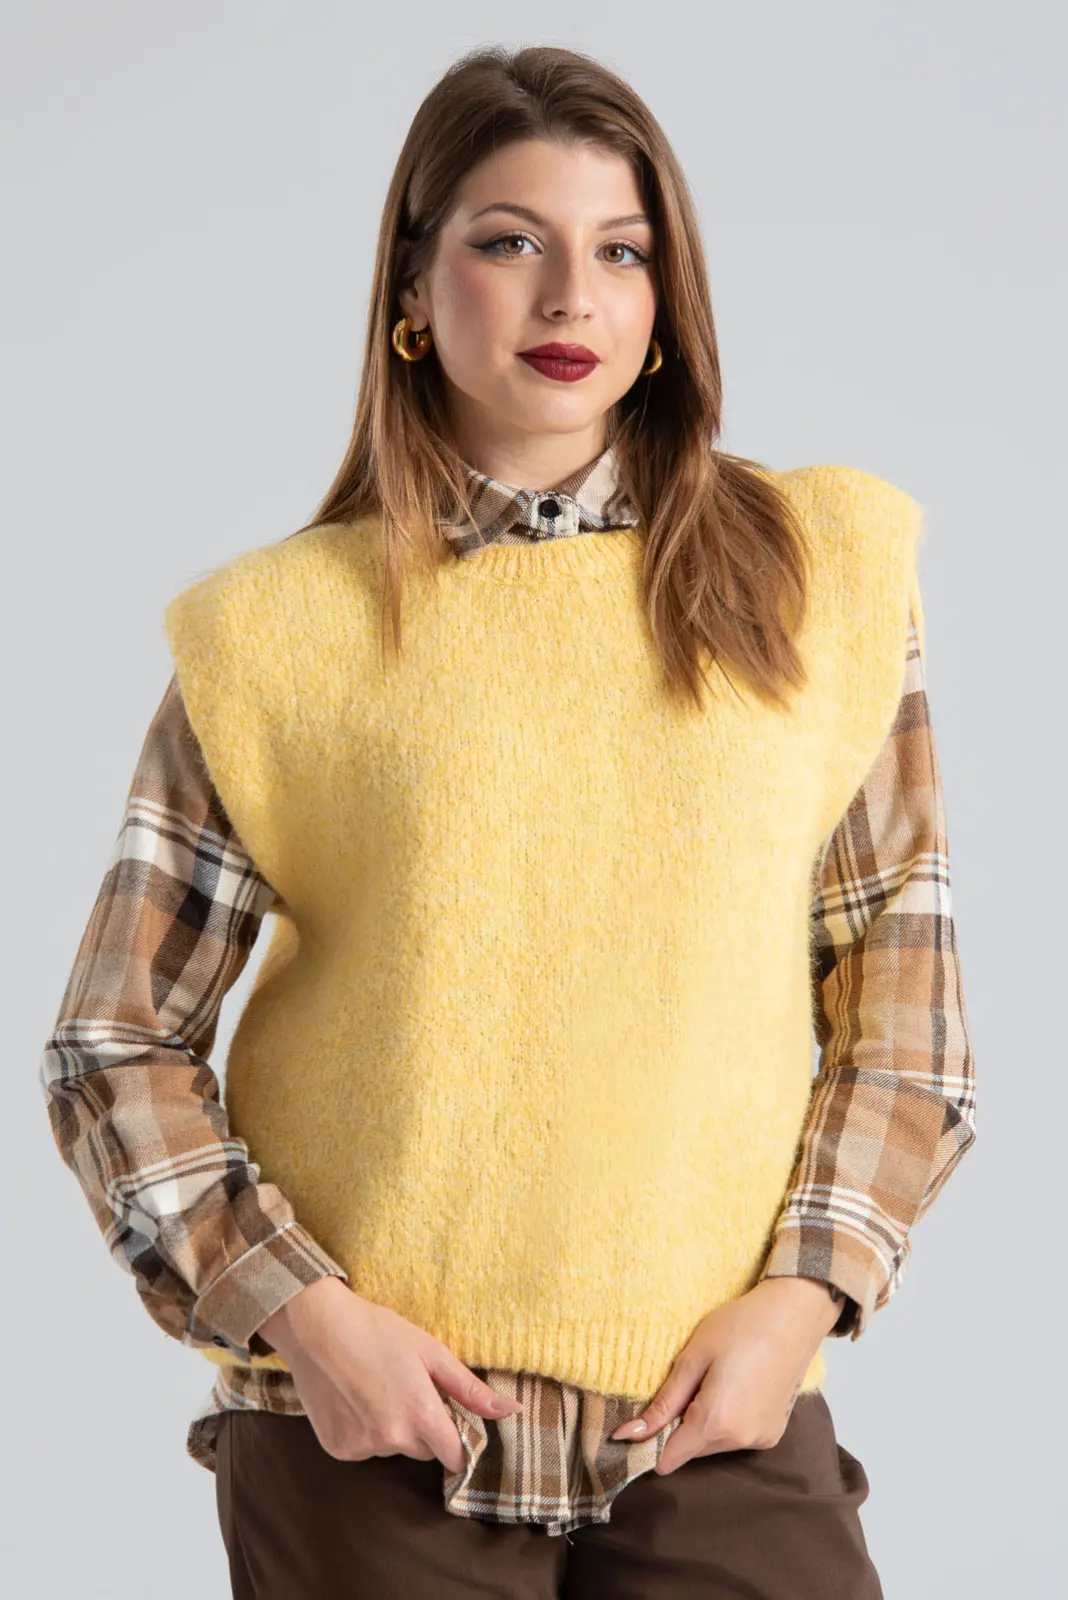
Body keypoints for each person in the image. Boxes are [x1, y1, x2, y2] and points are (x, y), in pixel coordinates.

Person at [40, 41, 977, 1599]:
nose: (570, 299)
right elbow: (114, 1040)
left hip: (718, 1419)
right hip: (372, 1437)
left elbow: (903, 991)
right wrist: (301, 1319)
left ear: (667, 297)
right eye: (509, 242)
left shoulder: (821, 577)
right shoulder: (272, 635)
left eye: (622, 252)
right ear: (413, 288)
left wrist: (805, 1298)